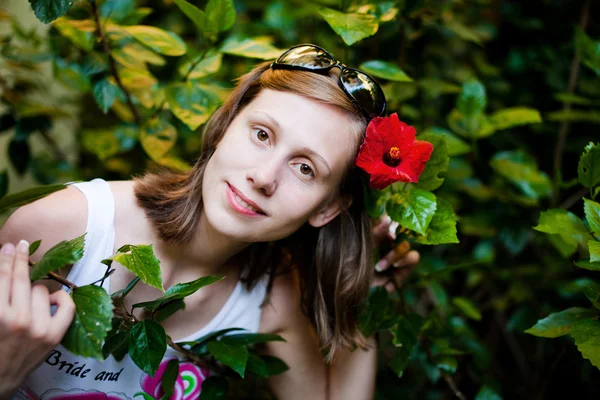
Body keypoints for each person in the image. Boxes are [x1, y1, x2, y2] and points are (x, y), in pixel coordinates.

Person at [0, 44, 420, 400]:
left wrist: (368, 303)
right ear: (224, 126)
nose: (263, 176)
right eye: (262, 134)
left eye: (306, 168)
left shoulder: (271, 300)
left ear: (327, 209)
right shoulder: (65, 225)